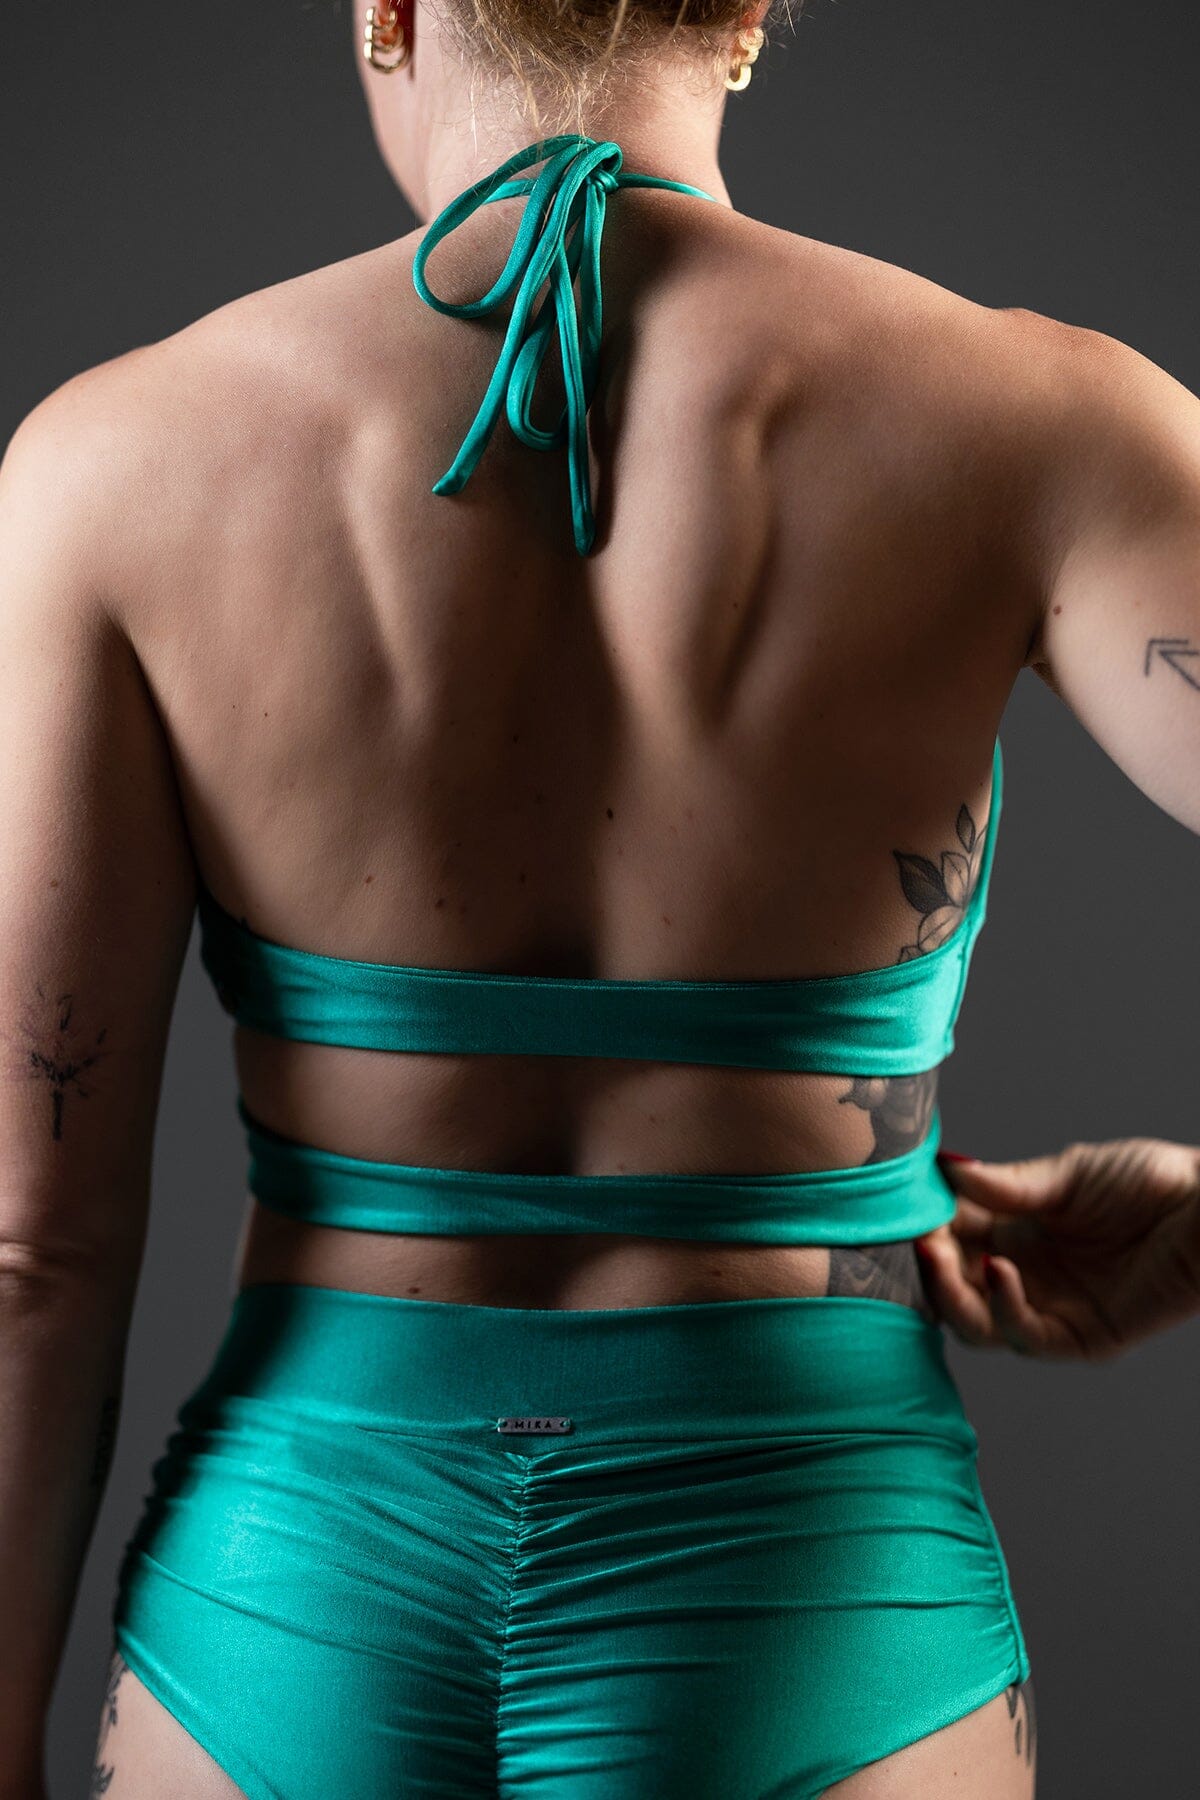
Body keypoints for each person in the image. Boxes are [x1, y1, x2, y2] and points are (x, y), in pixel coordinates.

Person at [0, 0, 1197, 1794]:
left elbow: (34, 1254)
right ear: (751, 12)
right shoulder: (1039, 420)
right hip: (814, 1582)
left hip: (290, 1591)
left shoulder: (113, 460)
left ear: (387, 9)